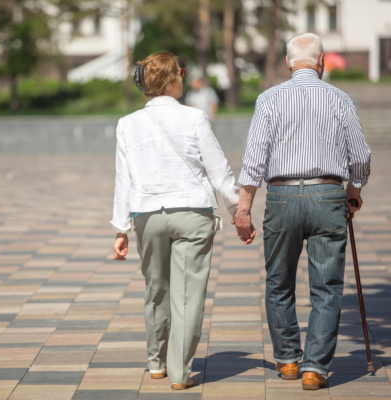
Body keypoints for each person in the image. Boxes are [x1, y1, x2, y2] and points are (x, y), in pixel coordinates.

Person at [233, 32, 371, 390]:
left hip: (280, 196)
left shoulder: (269, 99)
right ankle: (315, 368)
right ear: (322, 62)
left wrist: (243, 210)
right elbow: (360, 156)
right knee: (327, 287)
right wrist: (353, 192)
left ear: (288, 63)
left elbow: (254, 161)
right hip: (328, 194)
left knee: (279, 282)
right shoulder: (340, 99)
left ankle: (288, 360)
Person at [111, 52, 241, 389]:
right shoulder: (195, 118)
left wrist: (120, 228)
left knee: (156, 290)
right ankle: (181, 374)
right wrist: (238, 209)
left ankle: (156, 363)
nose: (183, 78)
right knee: (188, 295)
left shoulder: (127, 123)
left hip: (147, 215)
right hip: (192, 213)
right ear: (171, 80)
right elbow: (218, 169)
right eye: (181, 73)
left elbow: (123, 179)